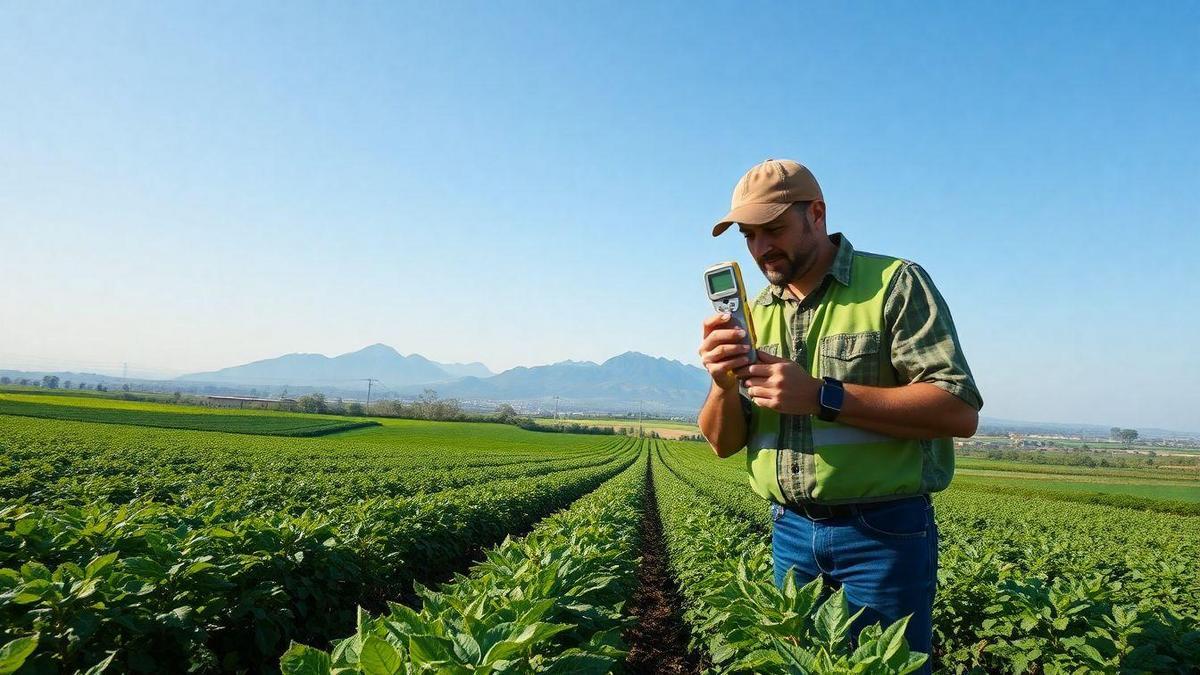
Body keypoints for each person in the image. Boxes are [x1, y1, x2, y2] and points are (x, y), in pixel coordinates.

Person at [697, 158, 983, 663]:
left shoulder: (894, 284)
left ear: (817, 213)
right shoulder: (756, 312)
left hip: (883, 535)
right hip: (789, 532)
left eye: (774, 229)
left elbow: (957, 410)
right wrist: (721, 384)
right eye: (748, 235)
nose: (762, 247)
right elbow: (722, 443)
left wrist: (821, 396)